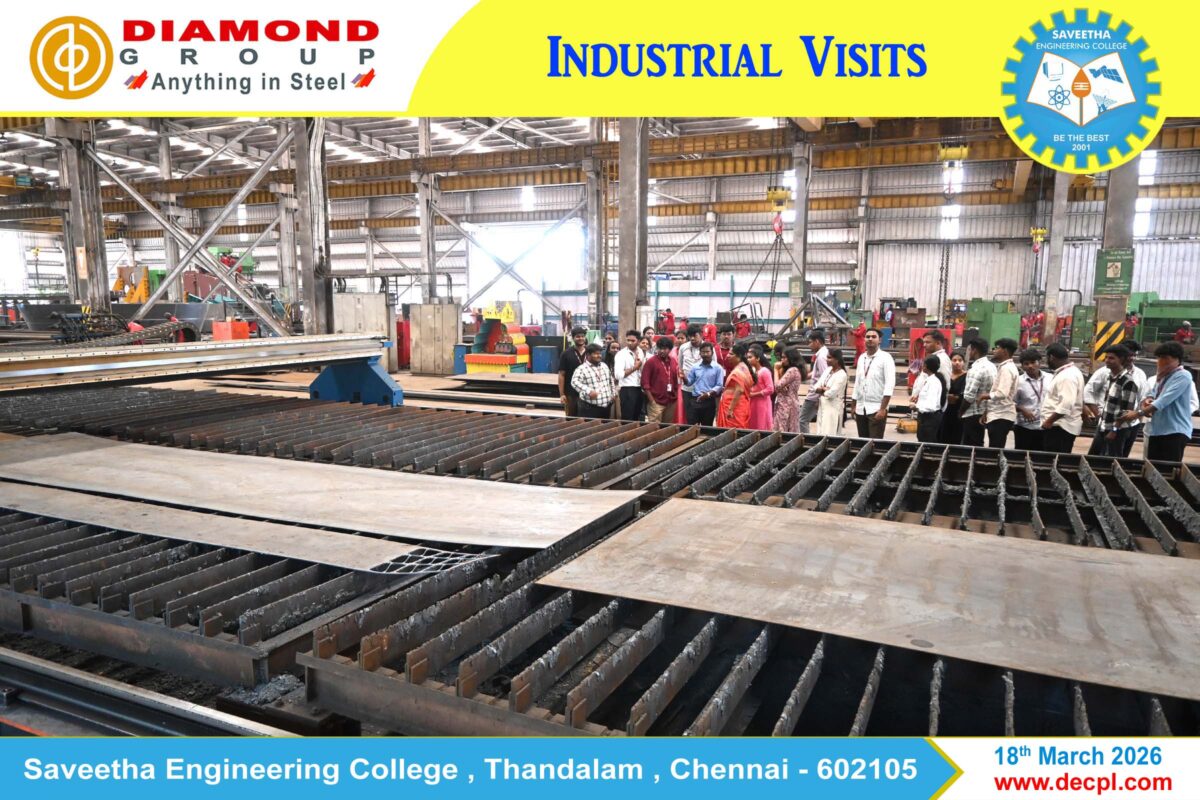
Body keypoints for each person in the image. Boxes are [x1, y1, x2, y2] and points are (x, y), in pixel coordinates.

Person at [1122, 341, 1194, 463]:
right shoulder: (1163, 376)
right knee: (1152, 467)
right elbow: (1153, 393)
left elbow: (1163, 400)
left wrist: (1137, 413)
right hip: (1157, 431)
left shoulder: (1183, 376)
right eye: (1159, 357)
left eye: (1165, 358)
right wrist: (1147, 400)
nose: (1161, 361)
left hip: (1174, 431)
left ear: (1177, 359)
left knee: (1166, 469)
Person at [1087, 345, 1142, 458]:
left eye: (1111, 358)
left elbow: (1126, 411)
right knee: (1095, 458)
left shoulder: (1128, 382)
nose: (1107, 360)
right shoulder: (1111, 378)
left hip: (1117, 431)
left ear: (1121, 360)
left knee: (1112, 459)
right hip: (1104, 426)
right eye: (1106, 357)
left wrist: (1114, 430)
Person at [1040, 343, 1085, 453]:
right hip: (1060, 426)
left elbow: (1066, 404)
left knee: (1054, 458)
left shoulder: (1067, 376)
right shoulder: (1069, 371)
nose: (1046, 361)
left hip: (1060, 427)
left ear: (1051, 357)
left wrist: (1049, 421)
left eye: (1046, 357)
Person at [851, 328, 896, 439]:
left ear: (880, 340)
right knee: (862, 442)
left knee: (875, 443)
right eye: (868, 337)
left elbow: (889, 385)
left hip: (876, 409)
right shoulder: (862, 358)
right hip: (861, 408)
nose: (870, 339)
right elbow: (857, 383)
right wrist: (853, 405)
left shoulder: (886, 358)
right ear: (864, 339)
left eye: (874, 337)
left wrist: (883, 409)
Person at [977, 338, 1020, 449]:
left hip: (1001, 415)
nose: (994, 350)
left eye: (997, 348)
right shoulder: (1005, 367)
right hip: (997, 414)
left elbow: (1002, 393)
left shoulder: (1007, 369)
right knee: (995, 446)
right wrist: (987, 412)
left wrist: (984, 396)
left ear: (1004, 351)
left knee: (995, 448)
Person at [959, 338, 996, 447]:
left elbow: (969, 396)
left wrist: (960, 412)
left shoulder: (976, 369)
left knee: (970, 445)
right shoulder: (992, 366)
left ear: (974, 350)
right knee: (978, 443)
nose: (968, 352)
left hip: (973, 413)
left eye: (969, 350)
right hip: (984, 411)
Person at [1013, 349, 1048, 451]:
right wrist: (1022, 409)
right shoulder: (1018, 381)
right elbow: (1009, 402)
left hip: (1046, 425)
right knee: (1021, 455)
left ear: (1039, 363)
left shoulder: (1051, 378)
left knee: (1042, 457)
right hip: (1025, 427)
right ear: (1022, 366)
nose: (1030, 366)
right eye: (1026, 364)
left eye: (1033, 362)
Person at [570, 343, 617, 419]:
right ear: (588, 355)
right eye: (596, 354)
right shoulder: (581, 369)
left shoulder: (604, 366)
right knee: (590, 426)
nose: (599, 356)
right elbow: (574, 382)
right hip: (589, 408)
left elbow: (611, 380)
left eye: (600, 353)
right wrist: (588, 391)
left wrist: (613, 394)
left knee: (604, 426)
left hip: (606, 408)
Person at [685, 342, 725, 425]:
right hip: (695, 400)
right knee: (692, 427)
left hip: (709, 401)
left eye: (707, 352)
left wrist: (708, 394)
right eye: (703, 352)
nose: (705, 354)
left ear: (712, 353)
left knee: (706, 428)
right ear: (700, 353)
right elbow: (689, 383)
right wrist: (683, 378)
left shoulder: (718, 368)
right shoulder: (695, 367)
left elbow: (719, 385)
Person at [640, 336, 678, 423]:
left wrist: (675, 396)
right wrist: (652, 401)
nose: (661, 351)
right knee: (654, 428)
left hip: (671, 402)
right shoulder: (651, 362)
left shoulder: (673, 361)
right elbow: (645, 383)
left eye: (665, 349)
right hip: (656, 402)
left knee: (667, 427)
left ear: (670, 349)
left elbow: (676, 380)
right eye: (660, 348)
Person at [798, 331, 830, 434]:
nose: (809, 345)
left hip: (815, 395)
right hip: (816, 394)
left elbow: (825, 377)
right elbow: (818, 373)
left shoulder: (821, 357)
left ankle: (806, 440)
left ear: (817, 342)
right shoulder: (823, 353)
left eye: (811, 342)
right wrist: (804, 376)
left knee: (802, 420)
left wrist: (819, 398)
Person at [716, 343, 754, 429]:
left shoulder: (739, 370)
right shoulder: (742, 367)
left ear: (739, 356)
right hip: (735, 404)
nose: (728, 356)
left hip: (735, 407)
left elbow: (739, 390)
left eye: (731, 354)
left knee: (732, 431)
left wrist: (730, 409)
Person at [813, 348, 848, 435]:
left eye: (829, 357)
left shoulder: (842, 374)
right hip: (822, 405)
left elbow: (831, 393)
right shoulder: (827, 370)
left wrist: (822, 390)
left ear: (837, 360)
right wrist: (824, 389)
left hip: (833, 408)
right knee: (820, 432)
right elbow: (815, 387)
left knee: (829, 433)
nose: (826, 359)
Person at [912, 355, 946, 443]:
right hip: (925, 417)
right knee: (921, 439)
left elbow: (931, 405)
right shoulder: (929, 379)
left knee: (927, 442)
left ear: (926, 366)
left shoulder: (934, 382)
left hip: (929, 418)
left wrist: (916, 407)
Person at [613, 330, 645, 422]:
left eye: (633, 341)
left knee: (637, 417)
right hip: (627, 389)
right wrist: (635, 367)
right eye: (628, 340)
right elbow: (618, 375)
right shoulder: (621, 354)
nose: (630, 343)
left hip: (639, 388)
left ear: (638, 341)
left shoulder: (640, 351)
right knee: (627, 418)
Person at [557, 325, 588, 417]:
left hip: (587, 392)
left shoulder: (590, 353)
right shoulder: (566, 354)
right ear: (573, 338)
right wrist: (562, 394)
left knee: (586, 417)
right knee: (571, 417)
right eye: (578, 336)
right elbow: (561, 374)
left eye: (582, 336)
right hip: (571, 393)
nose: (580, 338)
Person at [773, 348, 804, 433]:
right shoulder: (794, 370)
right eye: (781, 357)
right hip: (789, 403)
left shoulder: (792, 370)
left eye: (784, 357)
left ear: (791, 358)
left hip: (787, 405)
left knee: (783, 431)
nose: (782, 360)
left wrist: (775, 369)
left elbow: (777, 386)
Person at [941, 351, 967, 445]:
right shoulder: (946, 376)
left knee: (957, 435)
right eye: (954, 360)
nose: (957, 363)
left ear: (963, 362)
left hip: (960, 410)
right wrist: (946, 396)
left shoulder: (967, 376)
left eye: (960, 360)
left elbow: (966, 393)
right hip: (946, 410)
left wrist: (957, 397)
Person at [746, 345, 775, 430]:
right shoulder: (755, 371)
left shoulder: (764, 371)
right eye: (747, 358)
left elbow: (770, 389)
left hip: (762, 403)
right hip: (754, 402)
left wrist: (754, 394)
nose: (748, 360)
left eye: (750, 357)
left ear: (758, 358)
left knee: (761, 425)